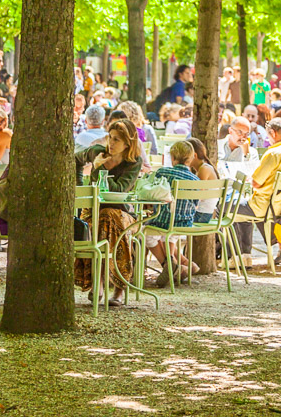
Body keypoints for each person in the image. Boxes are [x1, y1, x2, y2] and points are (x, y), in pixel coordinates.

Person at [74, 120, 144, 307]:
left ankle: (104, 284)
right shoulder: (98, 152)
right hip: (94, 211)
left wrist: (101, 168)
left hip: (122, 212)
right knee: (103, 219)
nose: (111, 143)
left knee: (109, 218)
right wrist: (79, 186)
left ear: (127, 143)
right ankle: (111, 286)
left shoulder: (133, 162)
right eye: (110, 138)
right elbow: (74, 159)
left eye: (117, 140)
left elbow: (120, 191)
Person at [235, 118, 281, 266]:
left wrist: (248, 178)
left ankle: (237, 257)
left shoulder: (273, 153)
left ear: (273, 133)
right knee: (258, 211)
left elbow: (256, 182)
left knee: (226, 208)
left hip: (266, 206)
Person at [146, 140, 203, 287]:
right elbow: (196, 204)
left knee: (147, 234)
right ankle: (172, 261)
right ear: (191, 159)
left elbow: (153, 196)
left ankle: (167, 265)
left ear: (172, 157)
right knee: (169, 233)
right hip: (184, 222)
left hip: (163, 221)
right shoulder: (196, 180)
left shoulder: (162, 172)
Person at [217, 116, 260, 184]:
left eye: (246, 134)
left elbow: (251, 176)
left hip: (238, 191)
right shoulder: (217, 146)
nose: (243, 137)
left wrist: (246, 154)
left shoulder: (252, 152)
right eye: (240, 132)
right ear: (230, 131)